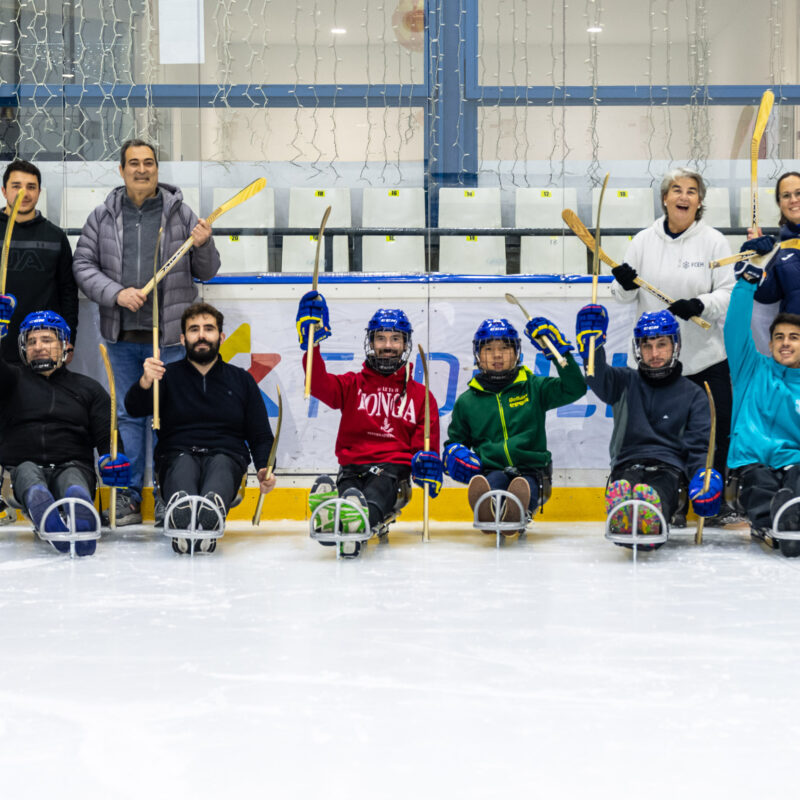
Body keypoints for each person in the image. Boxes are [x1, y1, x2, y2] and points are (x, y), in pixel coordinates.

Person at [72, 139, 221, 525]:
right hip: (122, 339)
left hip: (169, 339)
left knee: (169, 416)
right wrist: (117, 294)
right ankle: (129, 496)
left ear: (158, 169)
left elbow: (207, 270)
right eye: (134, 163)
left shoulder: (182, 214)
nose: (142, 169)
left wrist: (203, 245)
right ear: (121, 171)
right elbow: (83, 267)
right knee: (128, 416)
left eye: (149, 163)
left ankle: (172, 492)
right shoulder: (102, 217)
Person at [610, 167, 737, 526]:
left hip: (706, 359)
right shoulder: (643, 241)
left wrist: (699, 304)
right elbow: (621, 296)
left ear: (700, 201)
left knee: (714, 432)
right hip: (658, 365)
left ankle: (712, 502)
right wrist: (624, 284)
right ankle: (674, 498)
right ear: (665, 198)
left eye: (692, 191)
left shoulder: (713, 240)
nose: (684, 196)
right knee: (663, 435)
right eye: (676, 190)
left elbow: (728, 293)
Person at [296, 293, 441, 558]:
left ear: (405, 344)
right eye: (381, 338)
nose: (388, 345)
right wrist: (311, 345)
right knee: (349, 493)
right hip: (352, 468)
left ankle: (354, 520)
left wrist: (427, 464)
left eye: (395, 338)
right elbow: (317, 384)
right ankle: (340, 516)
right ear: (371, 342)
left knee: (376, 490)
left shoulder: (422, 396)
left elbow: (424, 449)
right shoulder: (352, 384)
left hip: (391, 473)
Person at [124, 302, 276, 554]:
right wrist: (146, 381)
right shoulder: (165, 376)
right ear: (183, 339)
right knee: (183, 465)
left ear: (221, 337)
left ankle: (209, 515)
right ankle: (182, 513)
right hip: (177, 454)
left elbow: (260, 435)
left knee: (221, 464)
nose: (202, 335)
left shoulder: (241, 380)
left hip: (227, 454)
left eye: (209, 328)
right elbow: (133, 409)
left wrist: (265, 467)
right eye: (194, 330)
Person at [576, 304, 721, 547]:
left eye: (661, 344)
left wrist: (703, 475)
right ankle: (624, 511)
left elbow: (700, 447)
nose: (654, 353)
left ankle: (650, 517)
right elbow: (596, 376)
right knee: (628, 484)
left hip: (670, 469)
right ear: (638, 349)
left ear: (675, 345)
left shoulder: (694, 394)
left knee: (657, 489)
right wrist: (592, 347)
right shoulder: (624, 381)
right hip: (627, 463)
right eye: (647, 346)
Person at [0, 300, 130, 556]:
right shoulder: (11, 381)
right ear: (23, 349)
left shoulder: (89, 389)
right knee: (28, 473)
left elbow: (108, 438)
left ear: (65, 345)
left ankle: (79, 509)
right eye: (32, 341)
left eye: (47, 340)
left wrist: (111, 460)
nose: (38, 347)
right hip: (23, 466)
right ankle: (43, 508)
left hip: (73, 464)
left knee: (73, 480)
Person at [443, 317, 586, 535]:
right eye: (489, 349)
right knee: (494, 483)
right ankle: (491, 508)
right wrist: (454, 454)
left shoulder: (534, 388)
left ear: (517, 352)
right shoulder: (467, 401)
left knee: (524, 487)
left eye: (504, 348)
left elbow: (575, 388)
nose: (497, 355)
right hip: (492, 468)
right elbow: (456, 442)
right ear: (478, 355)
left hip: (533, 470)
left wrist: (560, 352)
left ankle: (518, 511)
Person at [724, 257, 800, 557]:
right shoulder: (751, 369)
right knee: (760, 484)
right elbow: (734, 330)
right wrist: (746, 284)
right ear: (769, 345)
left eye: (794, 338)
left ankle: (791, 515)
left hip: (793, 462)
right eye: (778, 337)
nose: (785, 343)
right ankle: (776, 521)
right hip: (751, 460)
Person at [0, 159, 78, 364]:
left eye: (31, 187)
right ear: (4, 191)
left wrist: (69, 340)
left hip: (41, 345)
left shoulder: (55, 236)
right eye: (16, 186)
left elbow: (68, 291)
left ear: (39, 192)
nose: (24, 193)